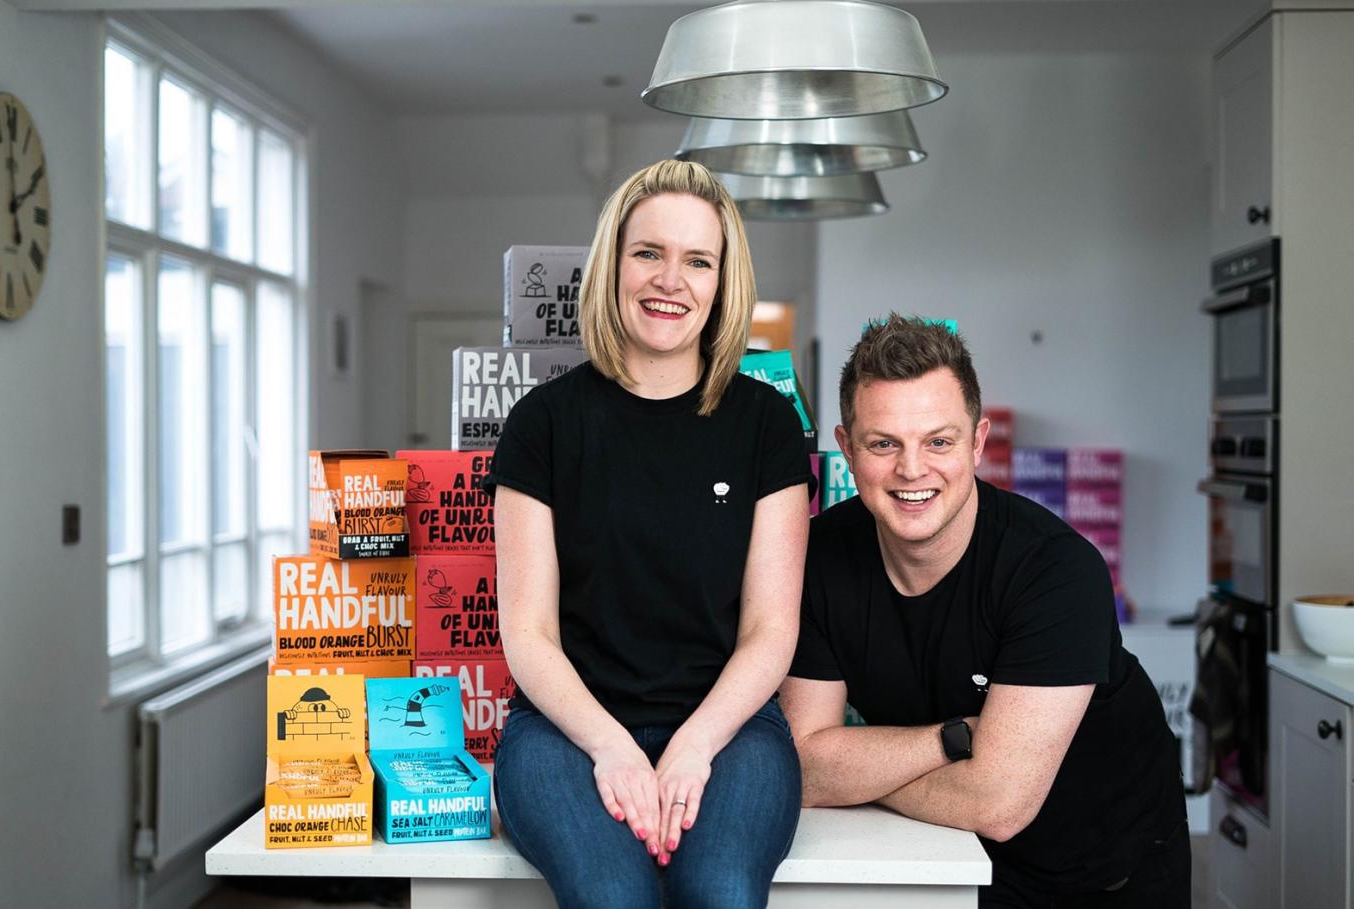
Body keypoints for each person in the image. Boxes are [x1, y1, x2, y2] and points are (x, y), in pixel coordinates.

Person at [486, 159, 812, 909]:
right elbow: (529, 632)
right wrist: (610, 747)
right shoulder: (542, 425)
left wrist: (694, 745)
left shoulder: (764, 426)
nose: (672, 279)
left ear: (722, 281)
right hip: (565, 729)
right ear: (613, 265)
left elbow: (770, 629)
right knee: (612, 895)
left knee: (723, 891)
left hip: (732, 729)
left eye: (698, 260)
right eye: (648, 253)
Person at [779, 315, 1189, 908]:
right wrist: (953, 742)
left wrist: (861, 775)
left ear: (977, 443)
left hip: (1106, 872)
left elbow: (998, 803)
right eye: (883, 443)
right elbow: (803, 769)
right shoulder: (819, 559)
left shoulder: (1055, 570)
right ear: (846, 448)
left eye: (939, 441)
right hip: (957, 859)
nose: (912, 470)